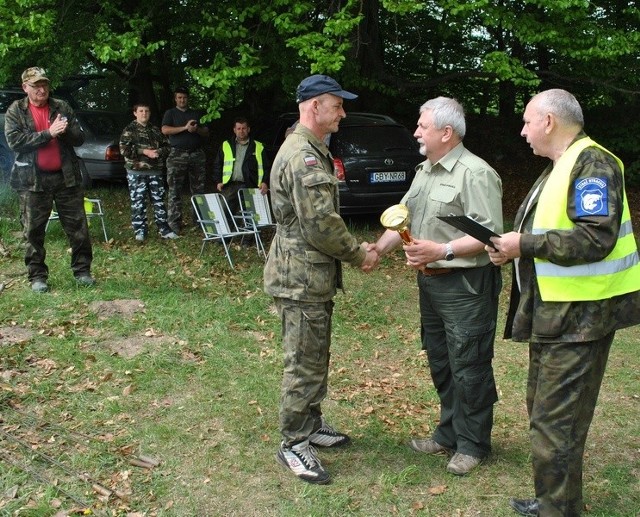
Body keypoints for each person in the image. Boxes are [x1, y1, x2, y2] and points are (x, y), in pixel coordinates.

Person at [486, 89, 640, 517]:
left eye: (527, 121)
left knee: (558, 423)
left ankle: (558, 510)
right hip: (558, 316)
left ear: (549, 122)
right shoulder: (561, 165)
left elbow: (596, 237)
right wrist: (513, 248)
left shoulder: (594, 163)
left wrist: (525, 243)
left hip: (581, 319)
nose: (522, 131)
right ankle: (555, 501)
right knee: (545, 414)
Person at [370, 97, 503, 476]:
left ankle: (473, 443)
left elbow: (490, 235)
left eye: (422, 126)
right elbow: (403, 216)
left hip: (466, 285)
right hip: (431, 286)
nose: (415, 132)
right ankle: (448, 433)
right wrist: (378, 249)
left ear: (447, 132)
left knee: (470, 364)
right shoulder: (425, 170)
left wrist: (442, 250)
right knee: (442, 362)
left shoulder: (476, 173)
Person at [264, 74, 378, 485]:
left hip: (309, 276)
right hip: (300, 277)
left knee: (315, 354)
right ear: (315, 107)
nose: (342, 113)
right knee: (303, 362)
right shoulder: (303, 156)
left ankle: (310, 425)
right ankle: (294, 442)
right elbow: (321, 225)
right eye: (337, 105)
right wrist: (359, 253)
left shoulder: (312, 149)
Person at [5, 66, 94, 293]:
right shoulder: (16, 110)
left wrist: (65, 131)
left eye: (44, 84)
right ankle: (37, 277)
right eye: (35, 86)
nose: (41, 89)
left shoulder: (61, 106)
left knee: (78, 228)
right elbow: (16, 142)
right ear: (25, 87)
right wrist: (49, 133)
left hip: (66, 179)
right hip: (32, 182)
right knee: (33, 231)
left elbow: (80, 139)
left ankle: (82, 271)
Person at [119, 103, 177, 242]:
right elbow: (124, 151)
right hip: (136, 172)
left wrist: (158, 152)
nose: (144, 113)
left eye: (146, 111)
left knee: (159, 201)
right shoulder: (129, 130)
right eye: (141, 111)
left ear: (149, 113)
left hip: (155, 171)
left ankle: (164, 229)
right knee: (138, 201)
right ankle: (140, 231)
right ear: (135, 113)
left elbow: (168, 147)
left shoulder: (155, 130)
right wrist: (144, 151)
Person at [161, 87, 209, 234]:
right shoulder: (170, 113)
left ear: (188, 99)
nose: (182, 100)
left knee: (198, 190)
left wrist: (196, 130)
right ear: (175, 99)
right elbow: (165, 130)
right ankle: (174, 223)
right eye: (179, 97)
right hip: (177, 155)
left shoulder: (196, 114)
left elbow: (206, 132)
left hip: (196, 154)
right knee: (175, 189)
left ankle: (199, 221)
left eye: (185, 98)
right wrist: (184, 128)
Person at [212, 117, 270, 216]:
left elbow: (266, 167)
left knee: (251, 214)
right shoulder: (226, 145)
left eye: (244, 128)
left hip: (251, 185)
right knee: (225, 212)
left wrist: (264, 182)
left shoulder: (258, 147)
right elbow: (218, 164)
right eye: (238, 128)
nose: (241, 131)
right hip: (230, 185)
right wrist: (218, 181)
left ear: (248, 129)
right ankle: (230, 230)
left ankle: (251, 231)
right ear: (234, 130)